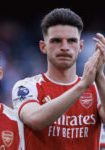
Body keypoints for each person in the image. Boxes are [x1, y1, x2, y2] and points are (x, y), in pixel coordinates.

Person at [12, 8, 105, 150]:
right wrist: (82, 85)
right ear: (43, 47)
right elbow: (35, 120)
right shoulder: (27, 86)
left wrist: (99, 77)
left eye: (72, 41)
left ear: (80, 47)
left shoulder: (96, 89)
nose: (65, 47)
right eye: (56, 41)